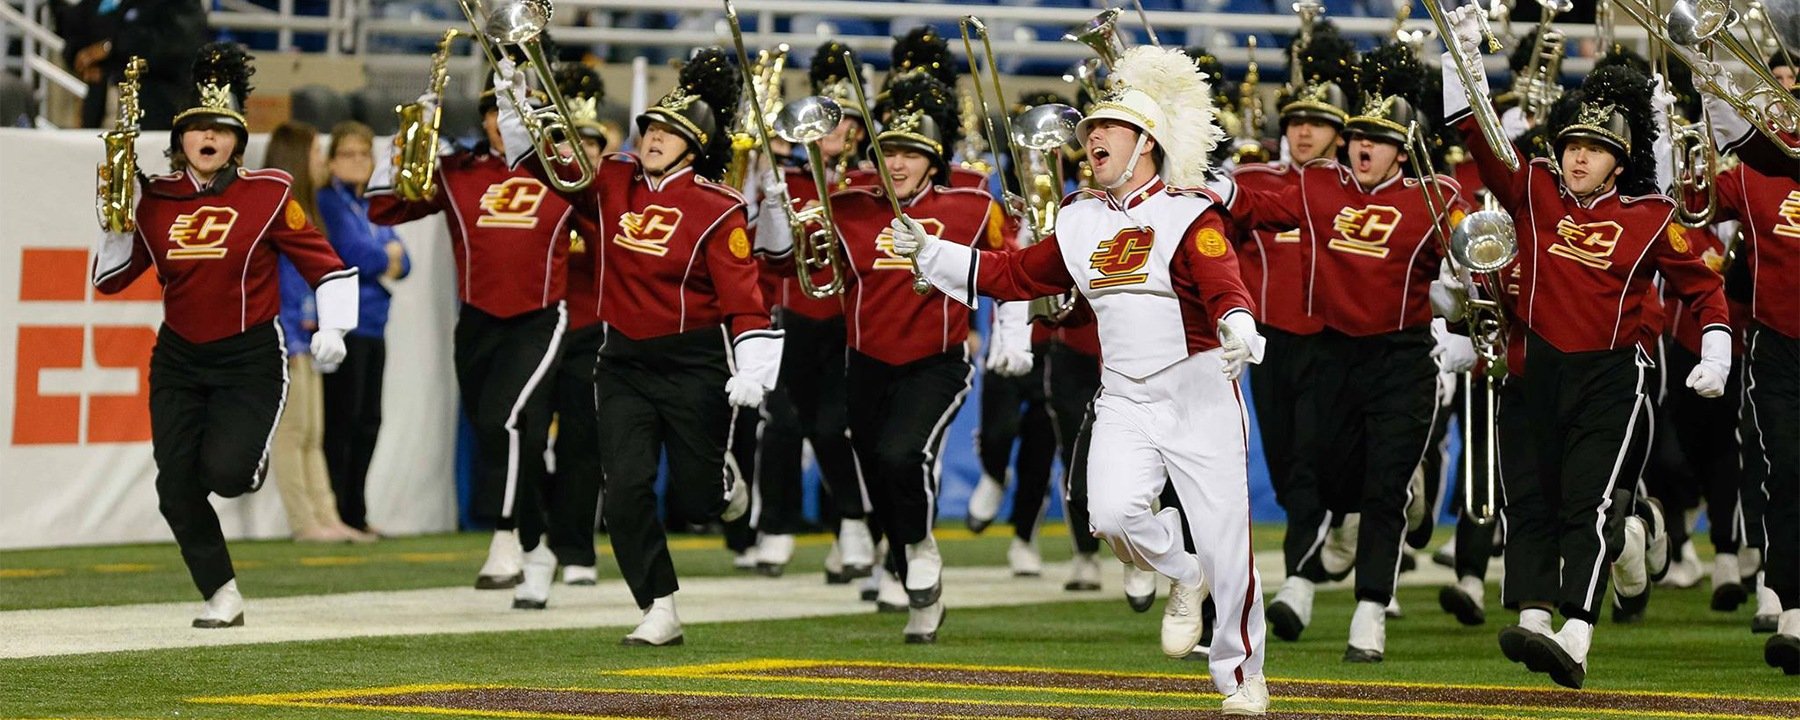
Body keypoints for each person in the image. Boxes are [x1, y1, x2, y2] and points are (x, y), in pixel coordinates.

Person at [893, 45, 1269, 714]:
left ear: (1146, 144)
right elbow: (1012, 278)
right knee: (1110, 514)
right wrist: (930, 250)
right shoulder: (1078, 217)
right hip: (1123, 390)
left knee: (1228, 539)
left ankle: (1240, 677)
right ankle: (1183, 573)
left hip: (1199, 386)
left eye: (1110, 128)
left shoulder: (1189, 210)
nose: (1092, 136)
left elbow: (1223, 281)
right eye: (1090, 127)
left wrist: (1239, 323)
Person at [1440, 6, 1732, 688]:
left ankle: (1577, 631)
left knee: (1589, 502)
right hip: (1535, 368)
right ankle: (1536, 615)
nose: (1578, 155)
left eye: (1594, 148)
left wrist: (1715, 349)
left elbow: (1703, 287)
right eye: (1571, 143)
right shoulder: (1534, 190)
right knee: (1531, 501)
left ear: (1619, 161)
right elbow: (1471, 132)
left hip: (1613, 376)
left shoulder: (1652, 216)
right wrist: (1461, 54)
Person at [499, 47, 773, 645]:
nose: (653, 136)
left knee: (698, 500)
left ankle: (722, 483)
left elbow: (743, 295)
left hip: (694, 361)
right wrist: (513, 91)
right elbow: (542, 160)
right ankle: (658, 606)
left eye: (670, 131)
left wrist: (753, 365)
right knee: (623, 486)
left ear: (695, 145)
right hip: (620, 359)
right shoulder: (610, 180)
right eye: (650, 126)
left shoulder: (717, 206)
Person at [89, 43, 357, 626]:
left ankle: (246, 461)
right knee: (175, 486)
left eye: (220, 128)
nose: (207, 137)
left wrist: (335, 323)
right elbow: (110, 279)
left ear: (236, 139)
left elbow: (324, 263)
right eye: (196, 128)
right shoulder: (156, 200)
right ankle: (222, 594)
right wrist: (114, 217)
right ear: (181, 137)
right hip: (178, 359)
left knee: (227, 477)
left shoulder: (268, 192)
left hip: (250, 358)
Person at [1221, 41, 1472, 663]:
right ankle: (1310, 573)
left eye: (1379, 139)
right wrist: (1190, 179)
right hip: (1330, 356)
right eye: (1358, 135)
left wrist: (1463, 310)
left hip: (1402, 358)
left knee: (1384, 491)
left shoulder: (1437, 197)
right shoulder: (1316, 188)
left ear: (1404, 147)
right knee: (1319, 472)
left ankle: (1369, 614)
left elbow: (1479, 265)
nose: (1363, 147)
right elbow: (1248, 201)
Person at [367, 73, 575, 600]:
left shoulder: (563, 174)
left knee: (502, 420)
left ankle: (504, 538)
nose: (506, 123)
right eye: (496, 112)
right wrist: (409, 143)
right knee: (500, 435)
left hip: (541, 317)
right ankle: (538, 545)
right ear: (483, 119)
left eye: (518, 112)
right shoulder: (459, 172)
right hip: (477, 320)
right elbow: (383, 207)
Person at [264, 120, 368, 544]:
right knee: (292, 433)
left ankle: (326, 515)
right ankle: (303, 521)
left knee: (313, 433)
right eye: (315, 154)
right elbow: (280, 284)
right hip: (286, 335)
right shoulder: (278, 211)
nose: (321, 163)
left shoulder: (305, 210)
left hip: (305, 333)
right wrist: (290, 336)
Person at [316, 120, 409, 540]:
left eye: (363, 154)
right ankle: (337, 511)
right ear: (333, 161)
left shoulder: (372, 204)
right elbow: (356, 255)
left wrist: (384, 258)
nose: (357, 162)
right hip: (343, 325)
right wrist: (382, 258)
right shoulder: (329, 202)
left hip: (374, 323)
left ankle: (357, 509)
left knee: (369, 420)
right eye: (348, 154)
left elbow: (404, 261)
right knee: (343, 422)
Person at [538, 63, 608, 586]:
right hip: (536, 329)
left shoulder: (614, 204)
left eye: (590, 145)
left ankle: (576, 546)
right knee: (528, 438)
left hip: (590, 333)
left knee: (582, 443)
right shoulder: (536, 193)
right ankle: (531, 539)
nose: (579, 154)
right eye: (569, 143)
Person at [51, 0, 207, 129]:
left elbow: (180, 44)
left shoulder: (179, 5)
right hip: (103, 110)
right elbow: (76, 28)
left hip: (158, 112)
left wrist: (112, 48)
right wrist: (82, 59)